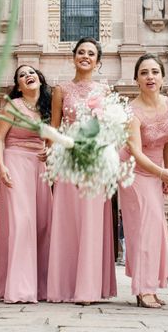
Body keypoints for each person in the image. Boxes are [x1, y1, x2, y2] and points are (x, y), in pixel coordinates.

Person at [46, 37, 117, 303]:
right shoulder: (60, 90)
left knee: (90, 221)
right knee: (68, 219)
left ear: (98, 61)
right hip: (68, 161)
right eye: (81, 52)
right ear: (73, 57)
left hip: (95, 161)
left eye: (91, 54)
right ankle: (63, 286)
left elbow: (110, 128)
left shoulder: (105, 91)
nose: (85, 56)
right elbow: (54, 128)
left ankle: (88, 287)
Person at [119, 54, 168, 308]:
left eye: (155, 72)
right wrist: (160, 172)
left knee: (155, 228)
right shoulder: (130, 110)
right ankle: (143, 289)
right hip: (134, 170)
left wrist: (166, 170)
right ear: (136, 79)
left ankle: (150, 286)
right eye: (144, 73)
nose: (150, 77)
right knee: (143, 228)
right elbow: (135, 150)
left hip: (156, 169)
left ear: (162, 77)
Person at [0, 65, 53, 303]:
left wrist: (50, 150)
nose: (28, 76)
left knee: (42, 224)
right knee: (22, 222)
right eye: (21, 75)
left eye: (32, 73)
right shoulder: (12, 106)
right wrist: (1, 166)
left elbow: (52, 140)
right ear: (18, 86)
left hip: (39, 169)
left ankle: (41, 286)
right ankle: (19, 287)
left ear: (39, 78)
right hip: (15, 161)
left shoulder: (47, 108)